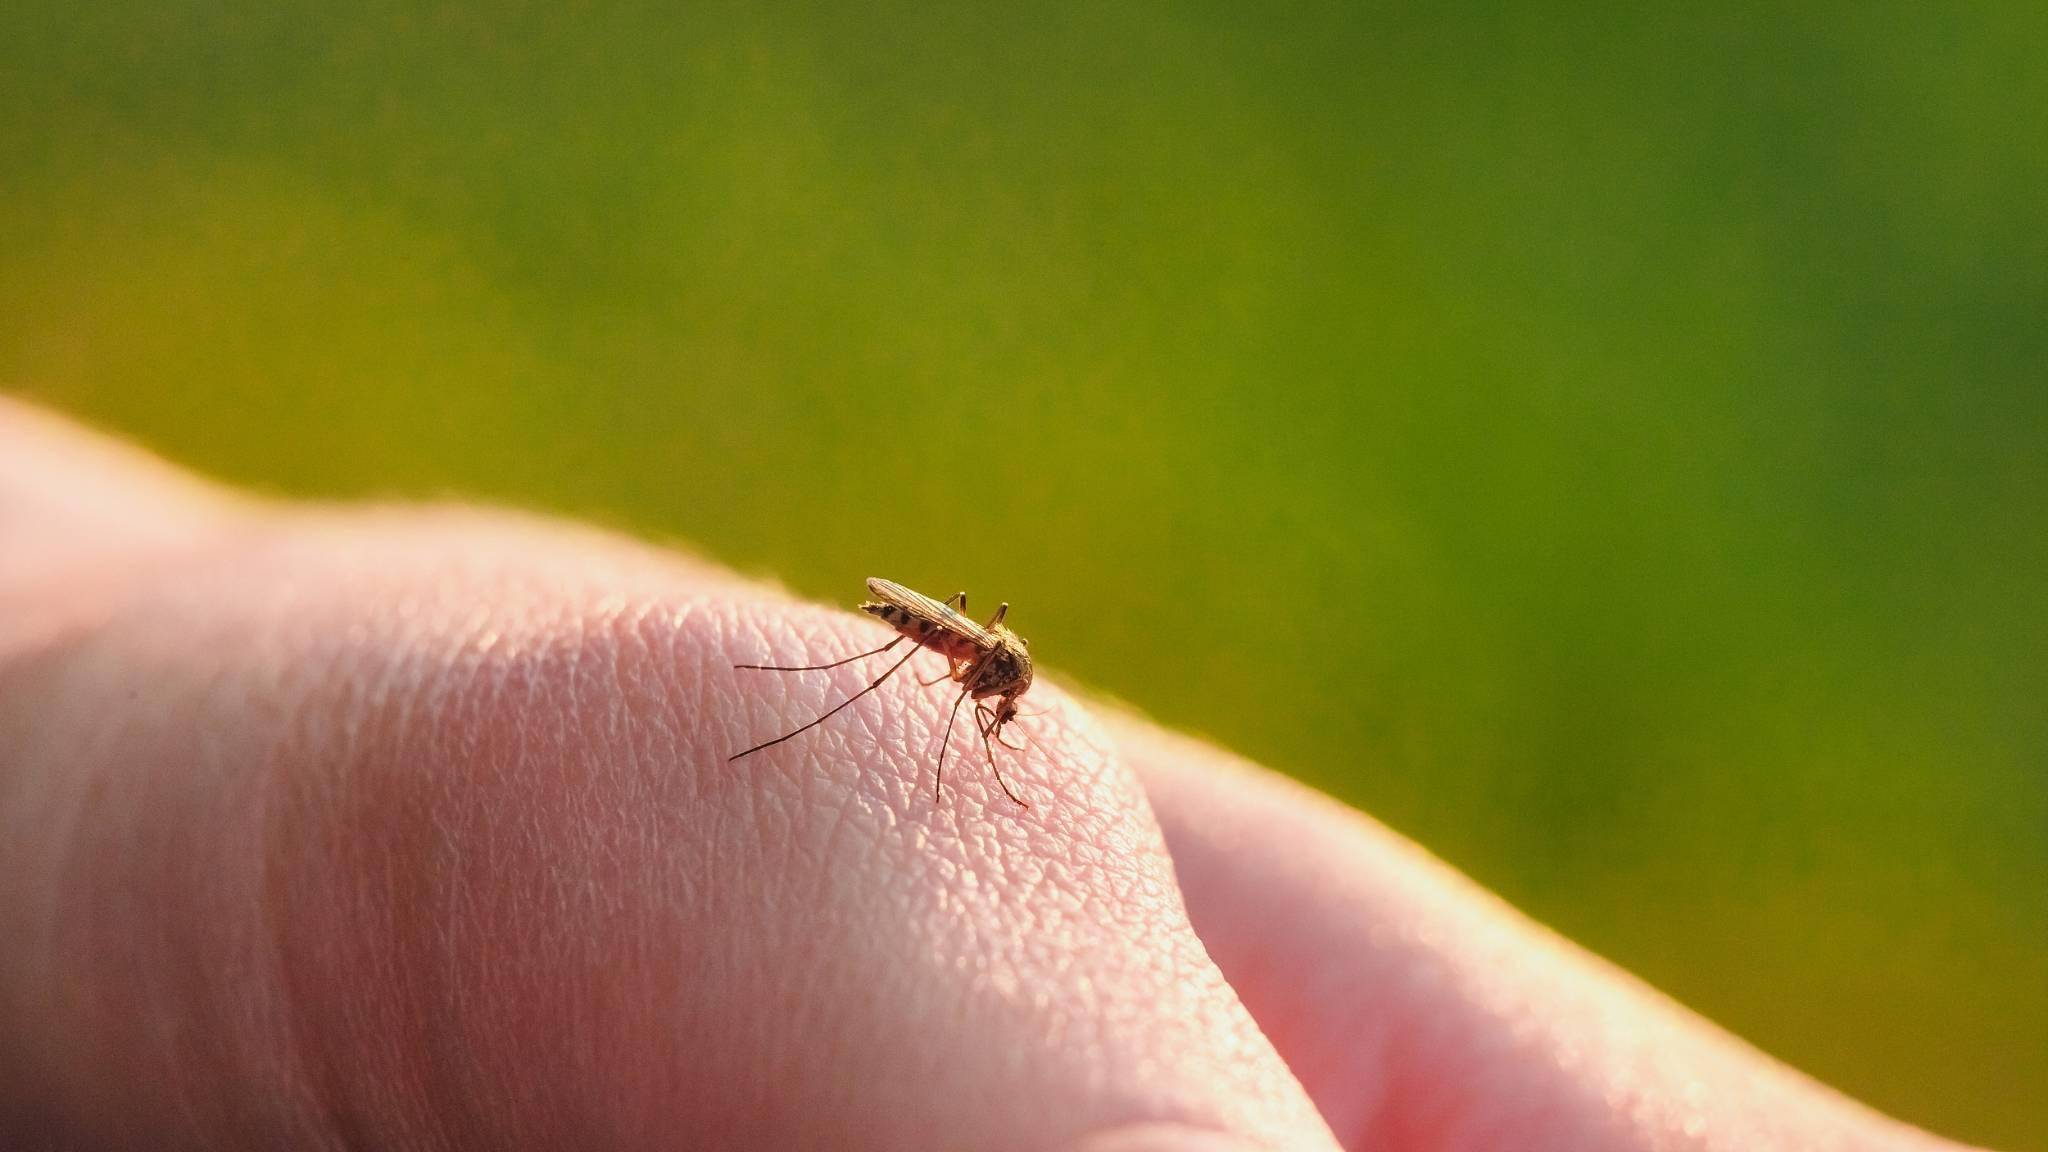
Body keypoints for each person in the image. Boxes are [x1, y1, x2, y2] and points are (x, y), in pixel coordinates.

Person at [0, 397, 1983, 1151]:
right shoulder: (949, 662)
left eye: (984, 671)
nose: (984, 687)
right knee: (849, 735)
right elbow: (922, 680)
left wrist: (132, 629)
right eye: (987, 675)